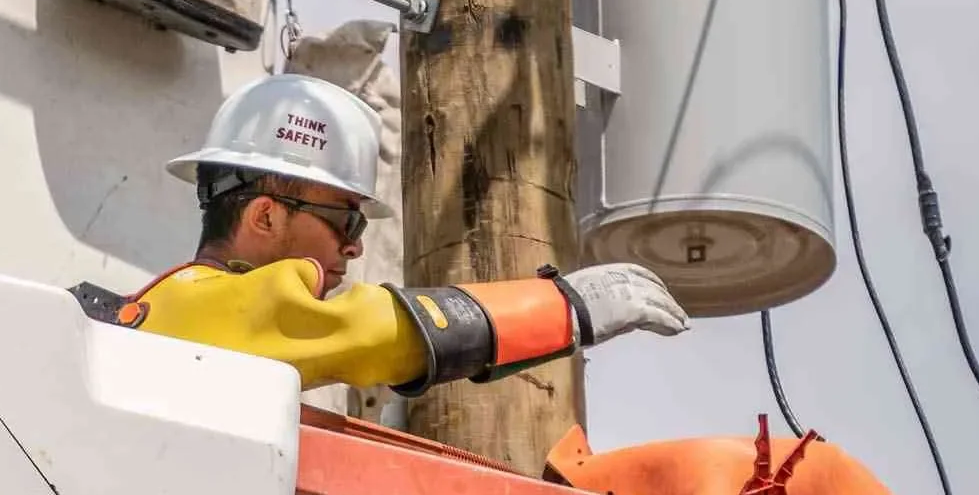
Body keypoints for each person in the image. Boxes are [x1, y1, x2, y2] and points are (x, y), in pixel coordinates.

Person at [75, 75, 688, 393]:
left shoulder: (208, 332)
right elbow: (369, 330)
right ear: (265, 217)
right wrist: (565, 308)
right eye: (344, 219)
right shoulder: (199, 307)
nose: (355, 245)